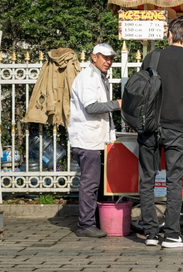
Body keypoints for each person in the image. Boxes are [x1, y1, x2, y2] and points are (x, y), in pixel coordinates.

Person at [137, 19, 183, 248]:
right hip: (176, 130)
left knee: (147, 179)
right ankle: (173, 234)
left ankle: (150, 234)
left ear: (169, 35)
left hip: (148, 128)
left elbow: (139, 92)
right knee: (173, 182)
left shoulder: (151, 58)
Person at [68, 43, 121, 238]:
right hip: (87, 139)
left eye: (111, 58)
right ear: (94, 57)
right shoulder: (87, 78)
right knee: (90, 183)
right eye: (105, 57)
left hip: (97, 138)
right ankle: (85, 224)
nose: (109, 61)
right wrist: (117, 104)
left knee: (98, 183)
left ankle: (96, 221)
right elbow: (91, 107)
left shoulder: (100, 77)